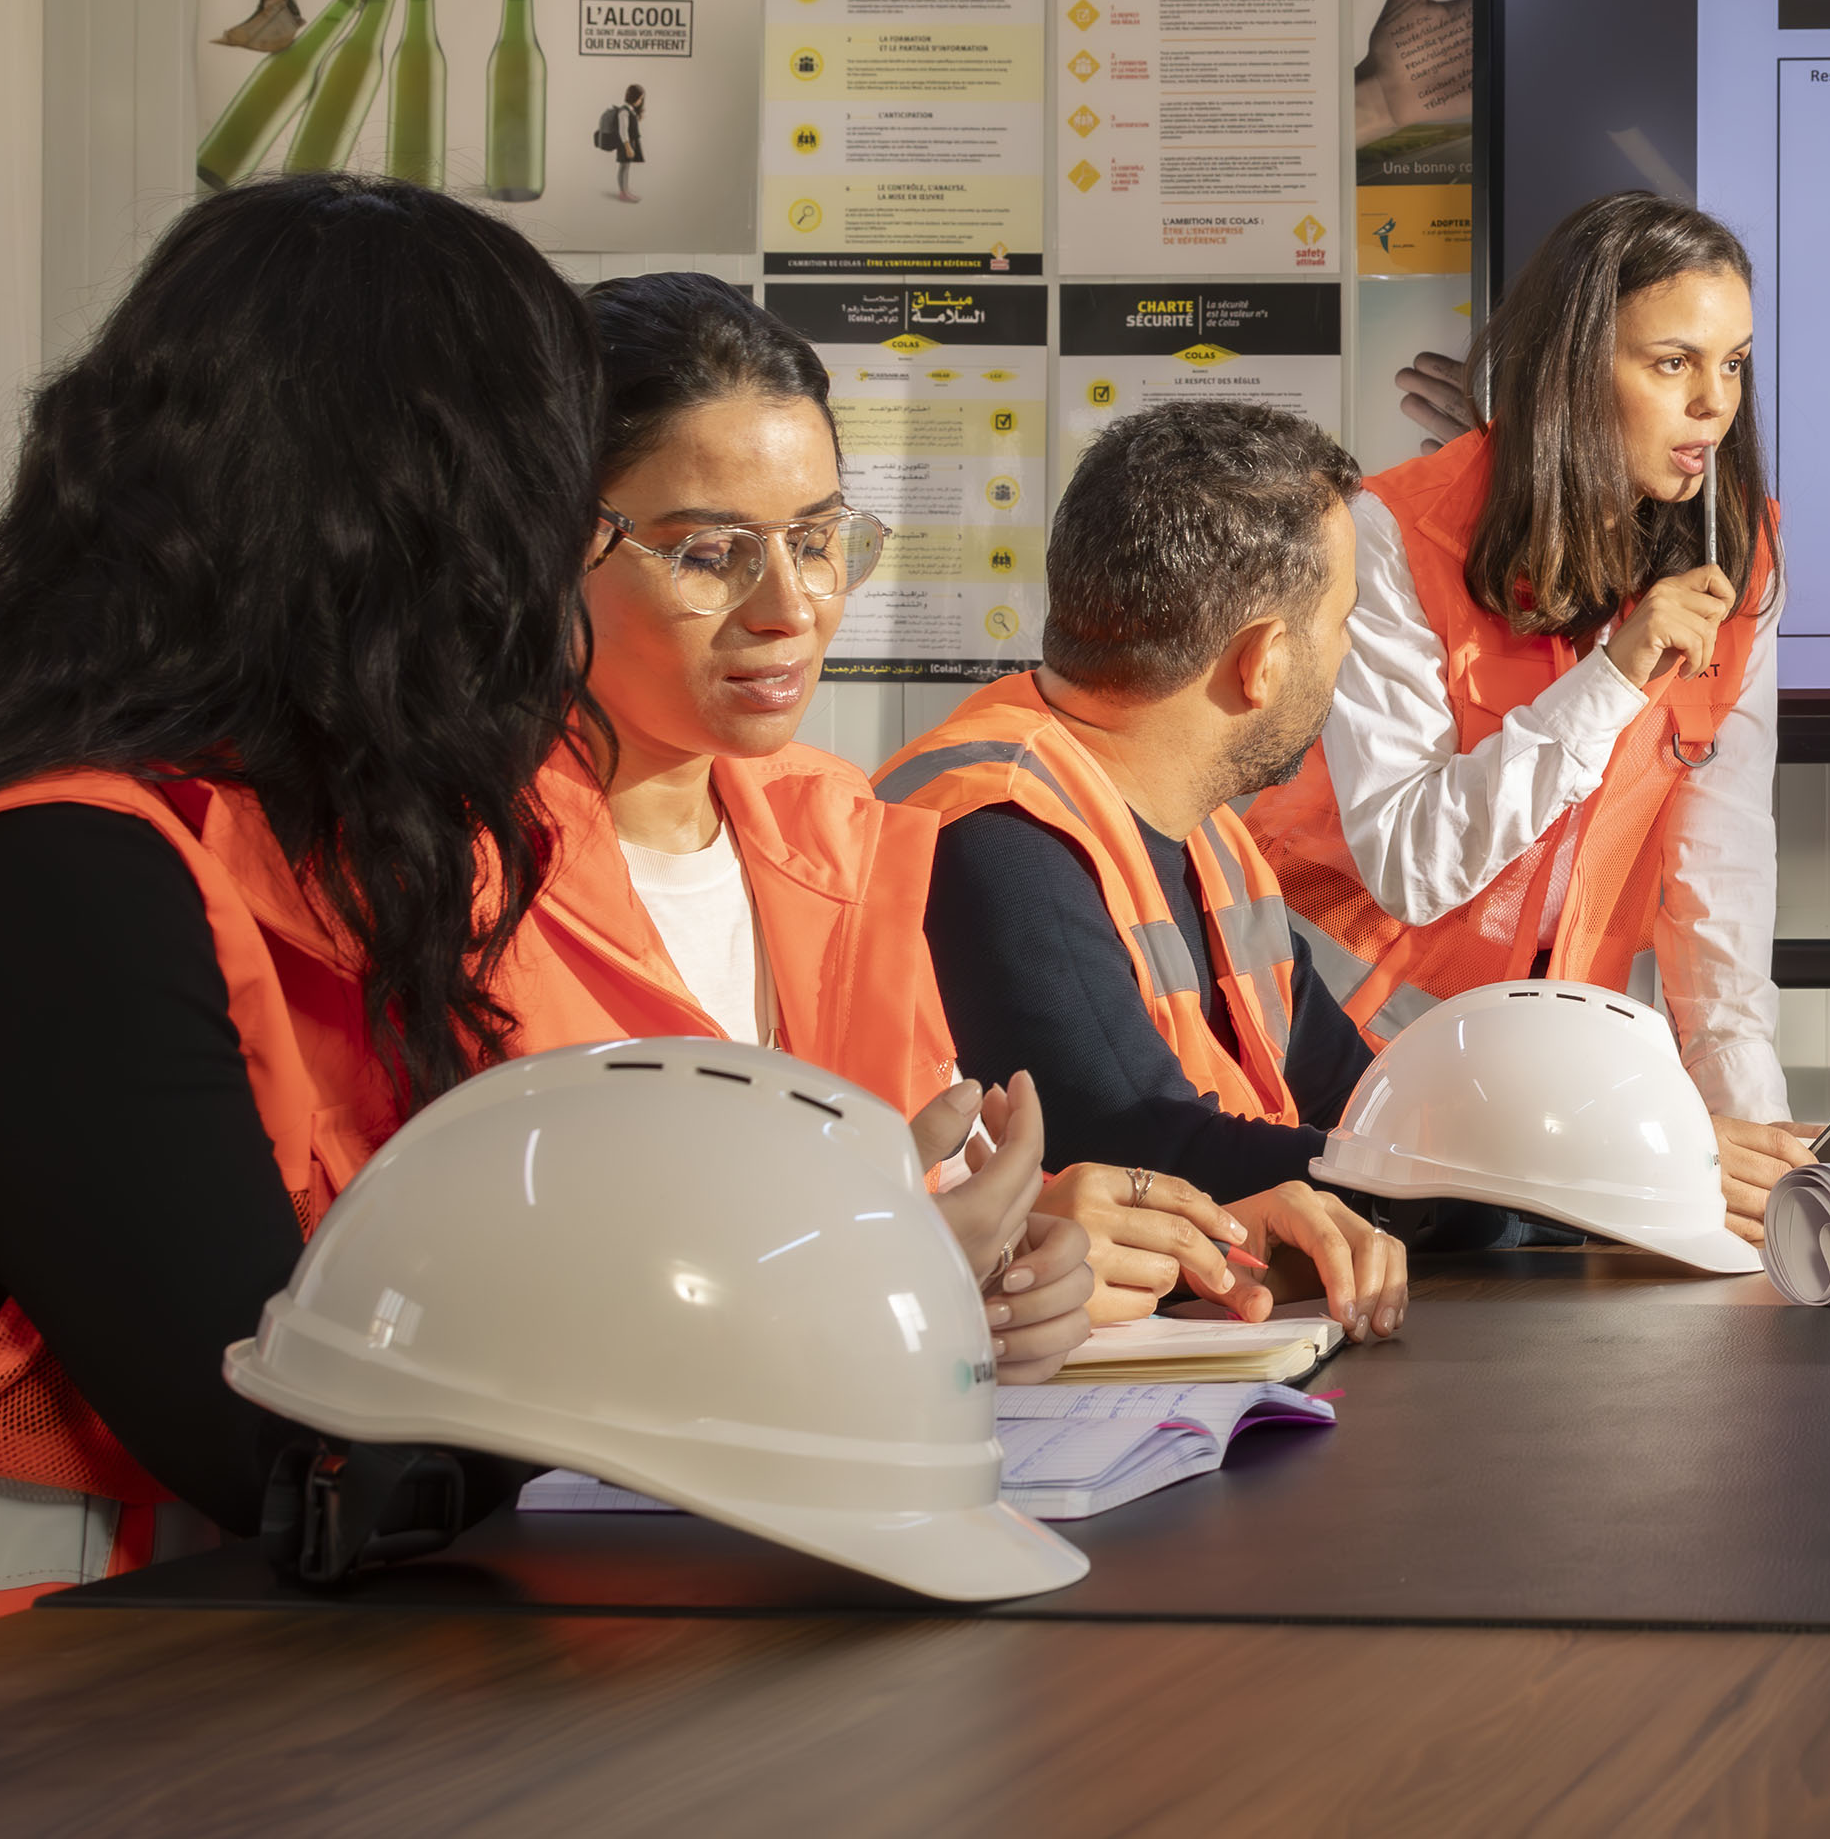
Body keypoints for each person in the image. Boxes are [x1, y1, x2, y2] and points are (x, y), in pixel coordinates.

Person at [0, 179, 1093, 1624]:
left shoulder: (342, 840)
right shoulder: (65, 874)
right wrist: (805, 1318)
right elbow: (297, 1455)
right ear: (388, 521)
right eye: (540, 507)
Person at [541, 274, 1307, 1333]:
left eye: (815, 541)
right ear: (545, 548)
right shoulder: (446, 872)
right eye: (711, 554)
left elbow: (917, 1212)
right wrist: (889, 1273)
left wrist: (1033, 1243)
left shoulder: (842, 835)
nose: (792, 608)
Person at [1244, 192, 1809, 1244]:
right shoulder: (1394, 531)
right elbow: (1413, 866)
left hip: (1541, 1058)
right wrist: (1616, 671)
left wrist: (1758, 1154)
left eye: (1731, 364)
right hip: (1340, 1037)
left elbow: (1717, 890)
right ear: (1572, 366)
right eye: (1671, 363)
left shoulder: (1739, 554)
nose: (1713, 407)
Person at [880, 401, 1410, 1335]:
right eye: (1344, 624)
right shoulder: (996, 829)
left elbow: (1373, 1109)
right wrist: (1486, 1198)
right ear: (1266, 661)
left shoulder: (1215, 844)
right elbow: (1140, 1141)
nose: (1348, 654)